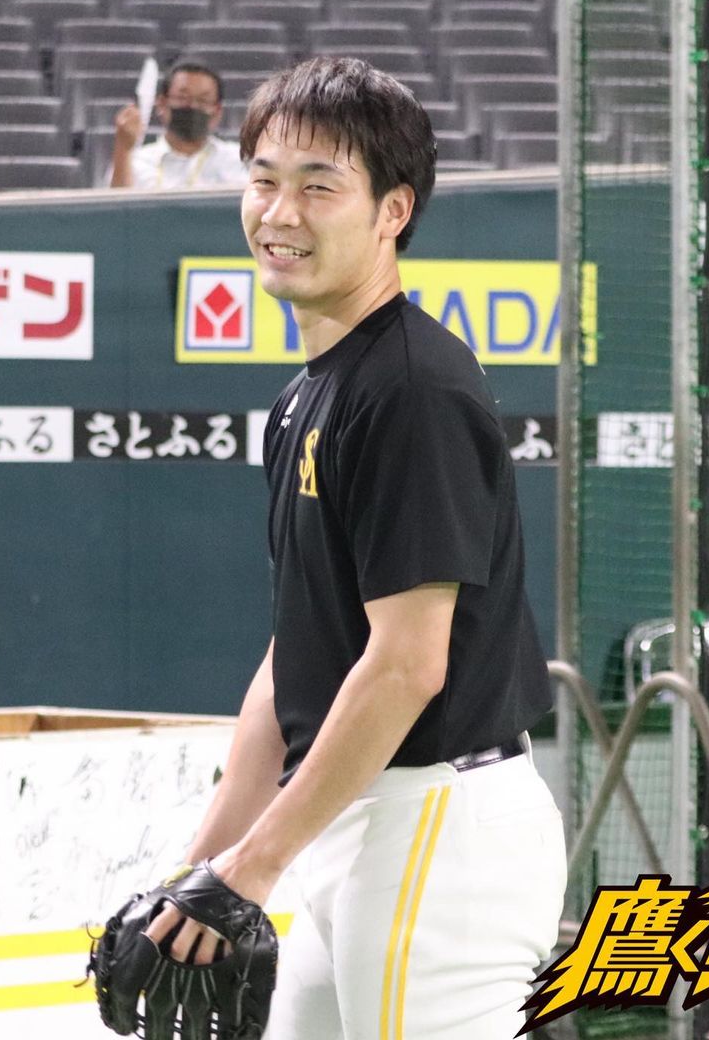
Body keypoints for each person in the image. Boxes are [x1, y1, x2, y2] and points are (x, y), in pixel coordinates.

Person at [142, 57, 568, 1039]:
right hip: (354, 820)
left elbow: (407, 666)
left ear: (393, 210)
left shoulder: (411, 390)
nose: (279, 212)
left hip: (440, 826)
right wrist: (199, 870)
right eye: (263, 179)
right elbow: (296, 660)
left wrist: (252, 867)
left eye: (318, 185)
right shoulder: (310, 393)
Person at [108, 59, 248, 189]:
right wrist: (123, 148)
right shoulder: (135, 162)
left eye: (203, 100)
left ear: (217, 111)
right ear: (162, 104)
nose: (192, 106)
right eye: (183, 97)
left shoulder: (239, 161)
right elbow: (116, 205)